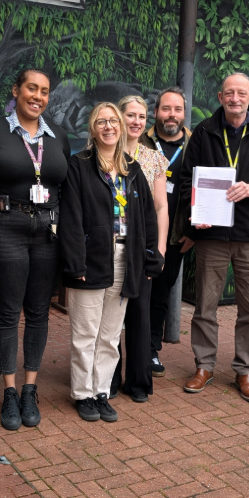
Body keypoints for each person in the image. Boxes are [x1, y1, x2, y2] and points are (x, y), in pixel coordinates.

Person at [0, 69, 71, 431]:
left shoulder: (58, 135)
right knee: (8, 311)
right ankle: (8, 391)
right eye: (31, 88)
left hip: (48, 230)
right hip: (7, 226)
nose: (37, 96)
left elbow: (64, 185)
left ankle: (30, 388)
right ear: (16, 90)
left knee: (39, 312)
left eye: (44, 91)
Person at [179, 72, 249, 403]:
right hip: (212, 235)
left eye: (241, 93)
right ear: (220, 96)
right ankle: (204, 366)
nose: (235, 98)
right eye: (229, 93)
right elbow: (188, 180)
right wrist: (195, 213)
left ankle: (244, 371)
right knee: (205, 306)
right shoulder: (204, 132)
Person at [60, 103, 162, 422]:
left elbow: (146, 217)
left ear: (120, 127)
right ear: (93, 128)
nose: (108, 127)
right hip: (91, 260)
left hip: (125, 258)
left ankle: (102, 390)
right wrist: (75, 263)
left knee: (109, 334)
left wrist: (149, 256)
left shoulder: (132, 168)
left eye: (113, 121)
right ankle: (82, 393)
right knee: (85, 334)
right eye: (101, 122)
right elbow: (71, 219)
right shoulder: (79, 166)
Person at [109, 95, 168, 402]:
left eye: (141, 116)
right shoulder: (103, 154)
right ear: (118, 117)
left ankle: (138, 381)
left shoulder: (153, 158)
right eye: (130, 115)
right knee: (109, 318)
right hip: (111, 247)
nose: (136, 121)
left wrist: (159, 252)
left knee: (139, 315)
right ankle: (108, 377)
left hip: (142, 249)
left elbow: (161, 208)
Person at [139, 87, 193, 377]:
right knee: (133, 293)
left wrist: (193, 232)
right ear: (156, 111)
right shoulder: (142, 141)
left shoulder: (196, 144)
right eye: (165, 109)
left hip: (176, 237)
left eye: (177, 109)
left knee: (160, 294)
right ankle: (128, 349)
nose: (171, 115)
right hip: (139, 233)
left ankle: (151, 350)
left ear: (184, 113)